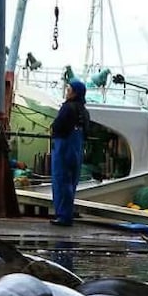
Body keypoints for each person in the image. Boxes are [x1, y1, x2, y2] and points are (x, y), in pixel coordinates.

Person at [50, 78, 88, 226]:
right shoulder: (84, 111)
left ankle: (63, 216)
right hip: (77, 149)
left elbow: (58, 126)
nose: (67, 93)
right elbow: (86, 131)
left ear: (74, 93)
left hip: (64, 148)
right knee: (72, 182)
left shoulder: (67, 108)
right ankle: (67, 213)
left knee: (61, 182)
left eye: (69, 90)